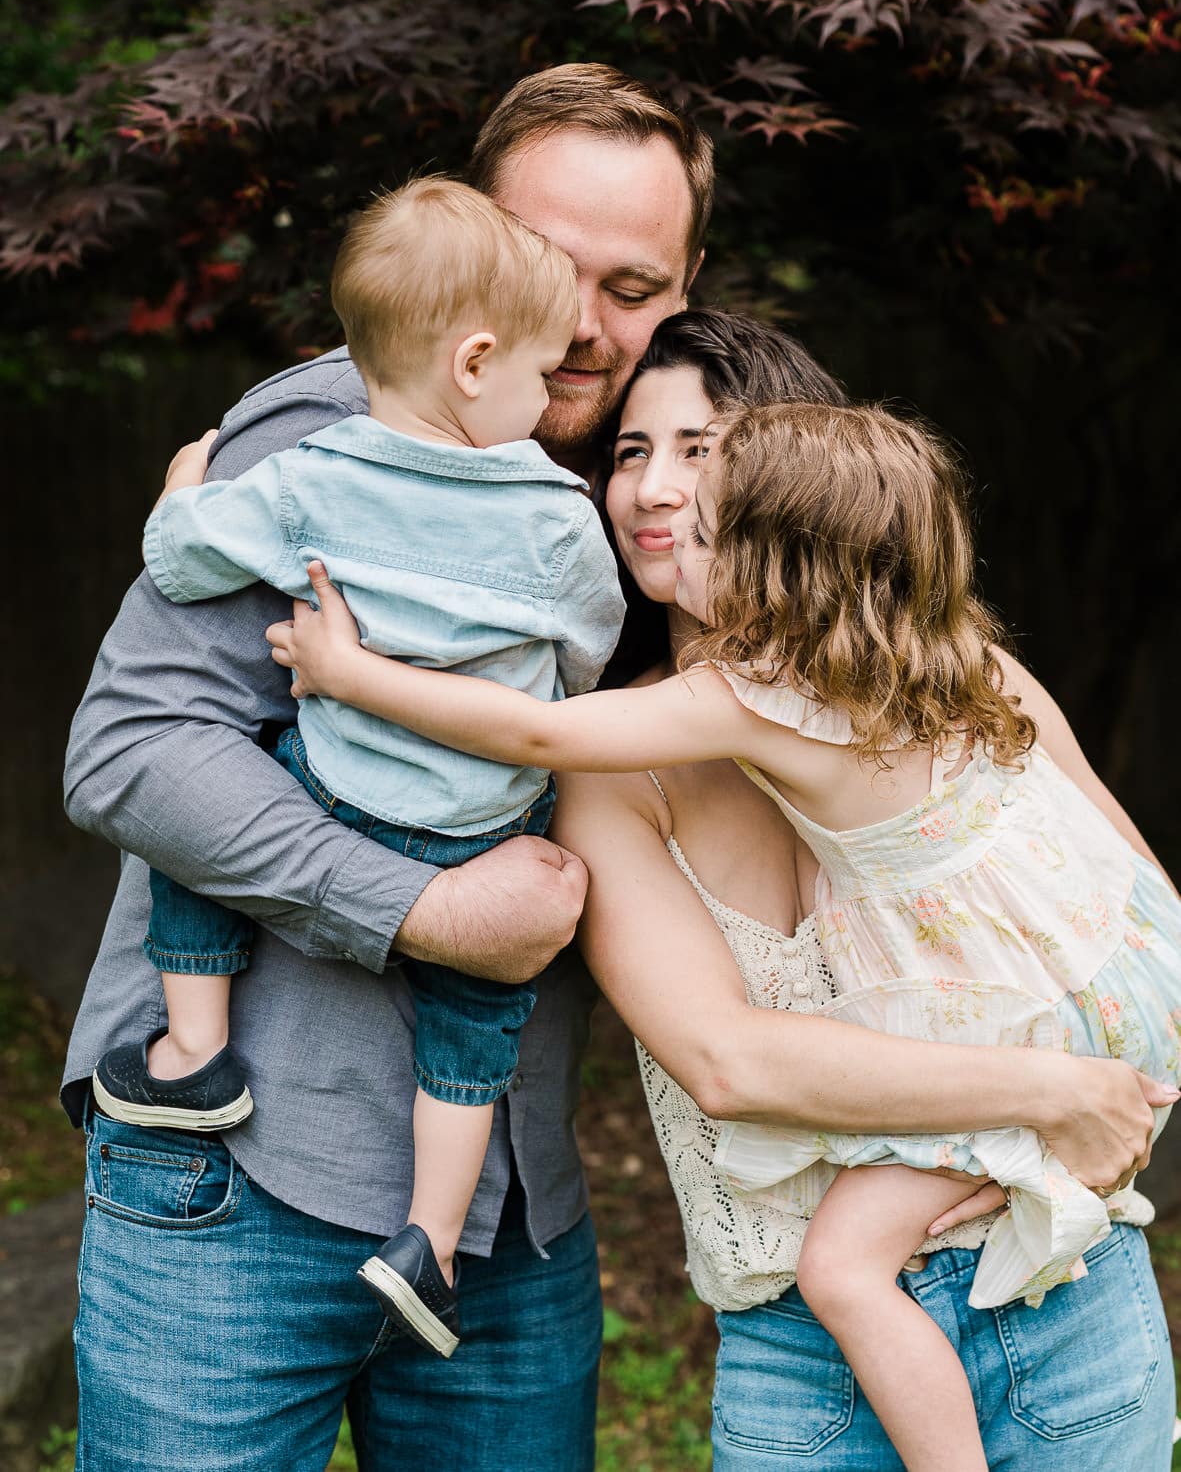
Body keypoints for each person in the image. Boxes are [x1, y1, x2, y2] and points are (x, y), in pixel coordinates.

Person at [62, 62, 1164, 1467]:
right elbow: (129, 755)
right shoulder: (332, 450)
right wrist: (427, 909)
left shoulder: (634, 502)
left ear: (688, 280)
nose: (587, 325)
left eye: (632, 285)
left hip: (510, 1214)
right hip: (249, 1176)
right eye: (551, 268)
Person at [268, 312, 1179, 1469]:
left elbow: (1128, 910)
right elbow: (726, 1061)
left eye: (700, 451)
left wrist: (1114, 1102)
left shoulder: (956, 669)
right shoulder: (635, 763)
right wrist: (1061, 1091)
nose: (656, 486)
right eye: (631, 452)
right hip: (809, 1350)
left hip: (1063, 1290)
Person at [90, 176, 624, 1358]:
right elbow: (585, 650)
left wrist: (186, 491)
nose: (563, 376)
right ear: (478, 362)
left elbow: (183, 559)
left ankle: (192, 1048)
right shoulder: (549, 505)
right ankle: (426, 1242)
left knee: (214, 849)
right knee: (471, 1031)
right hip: (479, 825)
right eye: (543, 366)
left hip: (335, 787)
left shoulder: (310, 473)